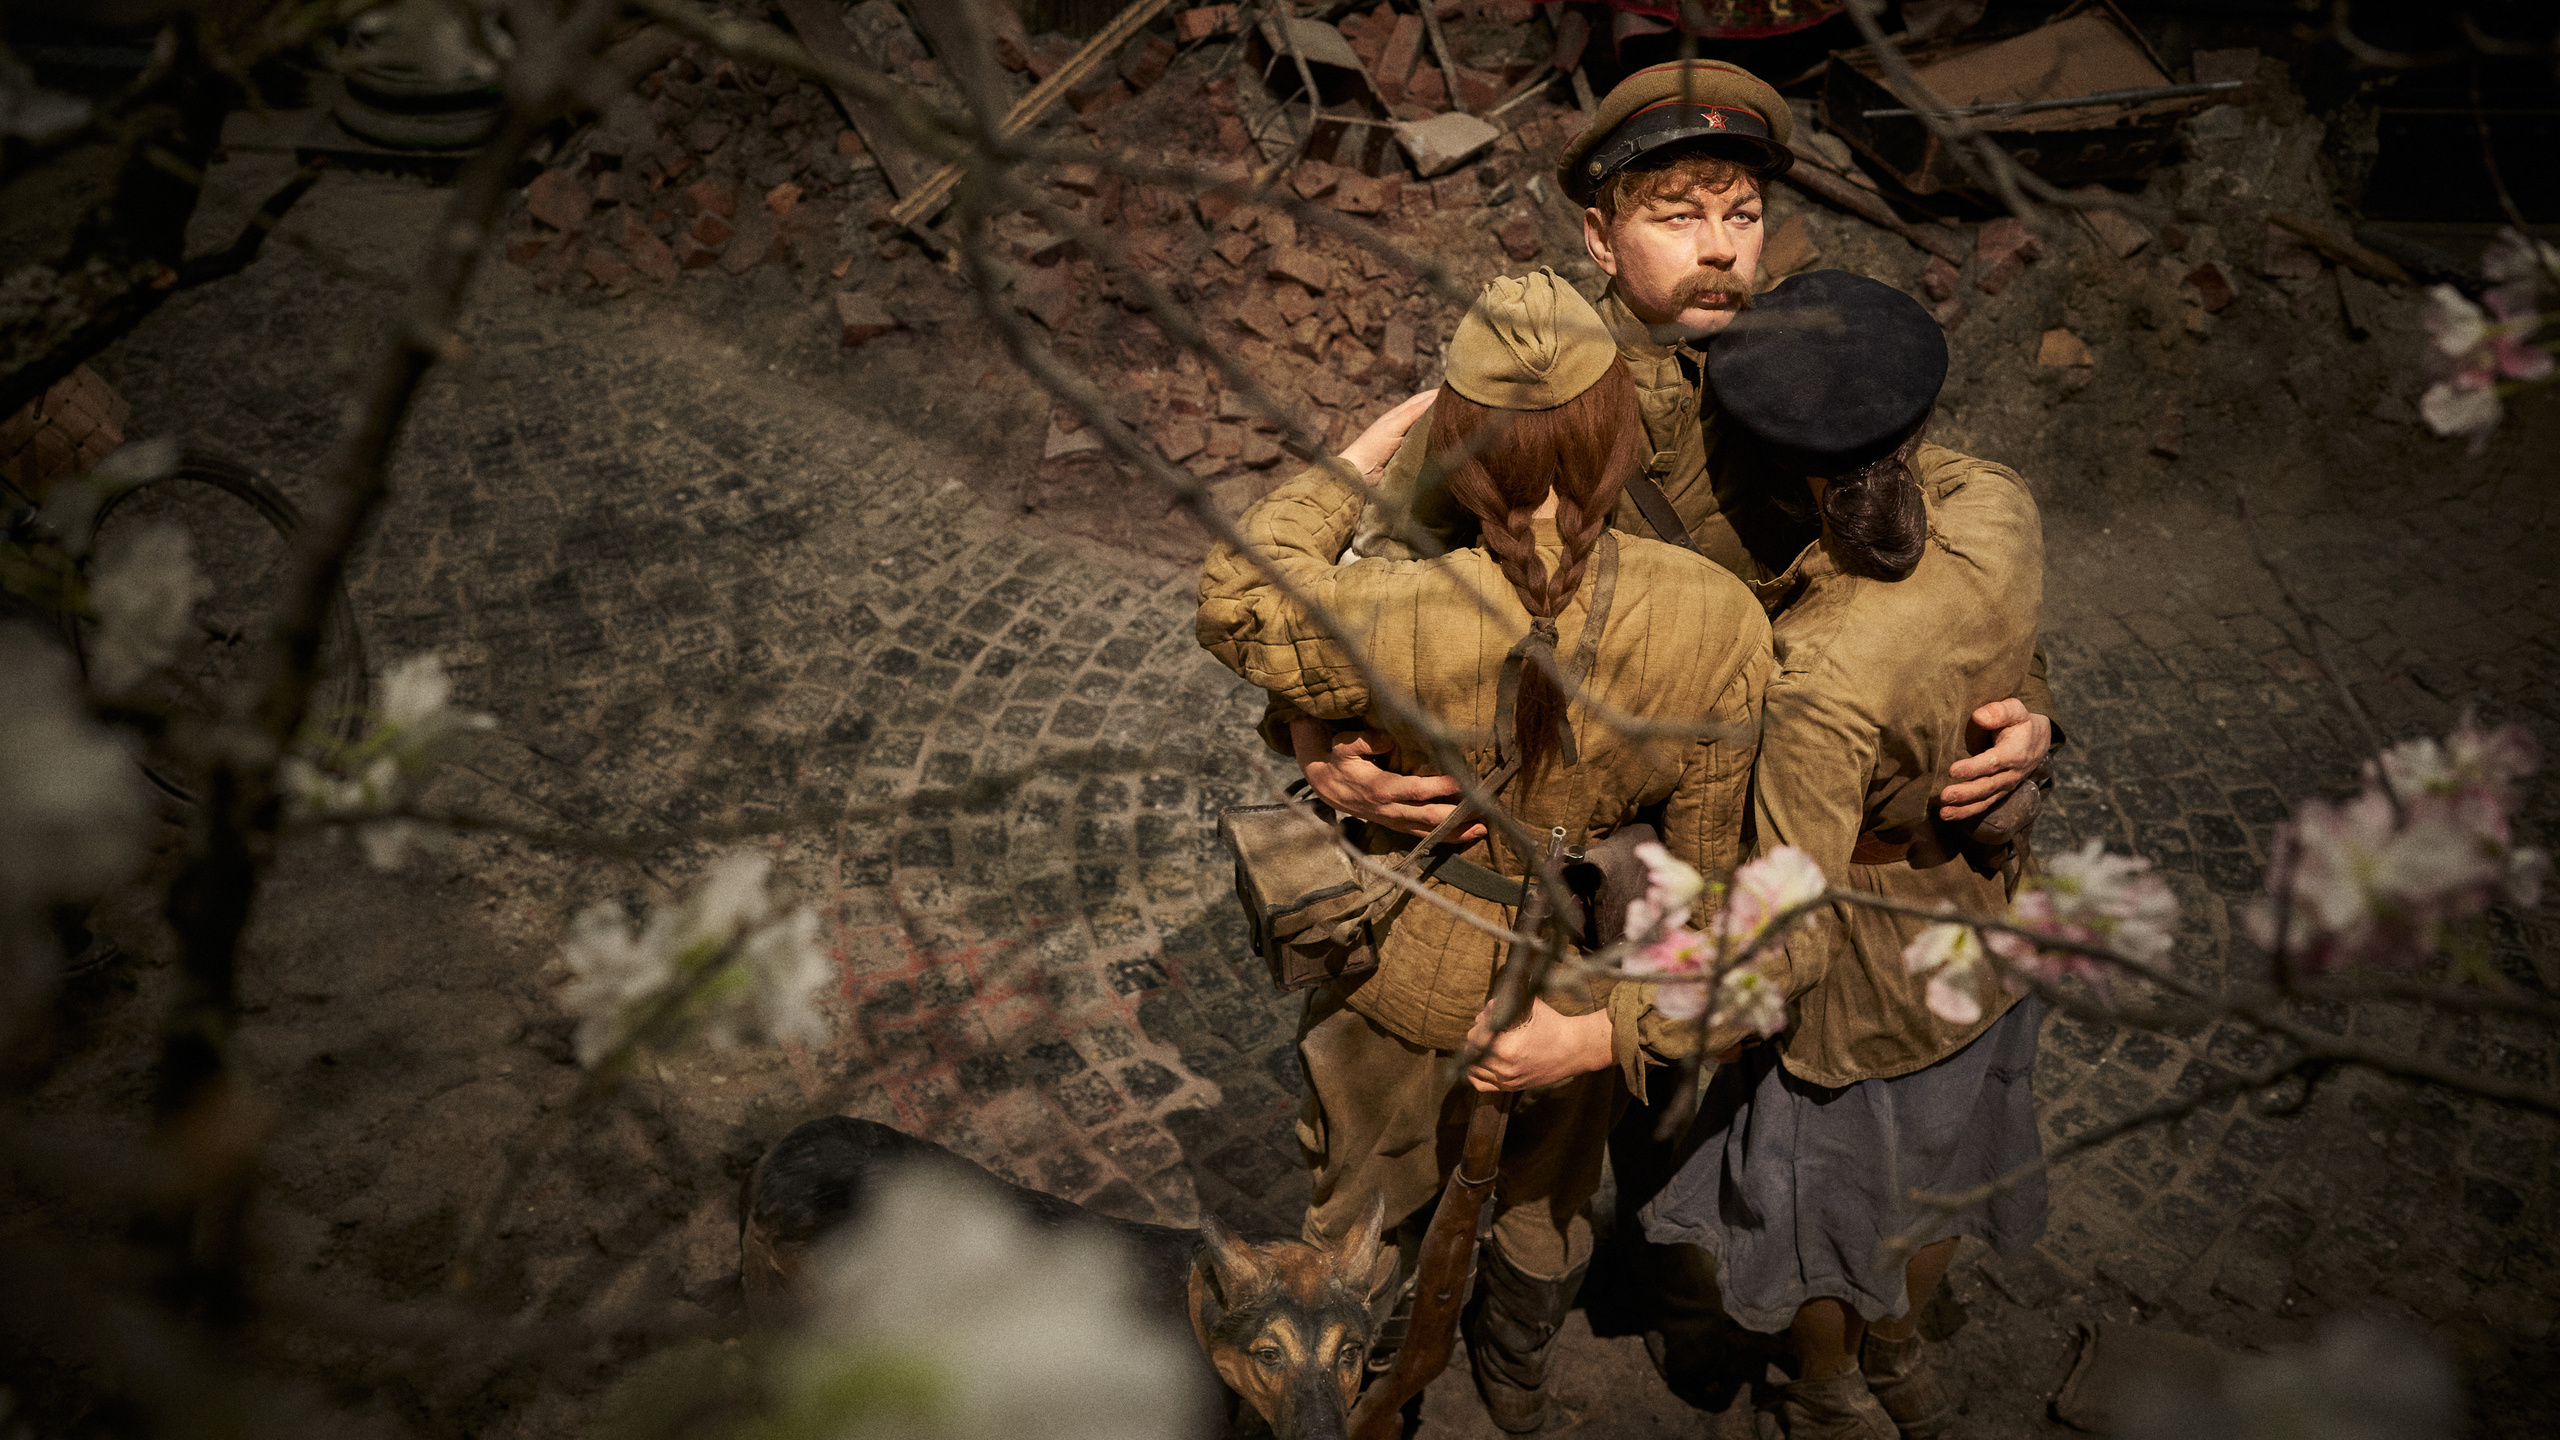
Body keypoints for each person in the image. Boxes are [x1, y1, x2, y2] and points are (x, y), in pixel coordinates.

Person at [1195, 272, 1771, 1433]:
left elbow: (1234, 599)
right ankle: (1516, 1376)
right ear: (1620, 442)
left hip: (1405, 967)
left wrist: (1357, 459)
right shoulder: (1720, 619)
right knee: (1547, 1203)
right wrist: (1606, 1027)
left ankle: (1351, 1396)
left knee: (1363, 1198)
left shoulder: (1395, 606)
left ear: (1458, 451)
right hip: (1578, 991)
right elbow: (1707, 884)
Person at [1287, 58, 2056, 869]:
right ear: (1601, 240)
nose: (1721, 250)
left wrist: (2024, 711)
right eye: (1680, 218)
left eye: (1744, 215)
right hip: (1626, 837)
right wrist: (1320, 742)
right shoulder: (1529, 387)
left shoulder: (1813, 358)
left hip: (1820, 814)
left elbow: (1946, 561)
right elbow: (1365, 583)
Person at [1638, 270, 2051, 1440]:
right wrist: (2031, 741)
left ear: (1780, 464)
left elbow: (1794, 924)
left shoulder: (1818, 667)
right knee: (1950, 1177)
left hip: (1869, 995)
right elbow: (2020, 668)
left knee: (1834, 1223)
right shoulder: (1998, 503)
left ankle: (1827, 1389)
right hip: (1980, 923)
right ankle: (1904, 1353)